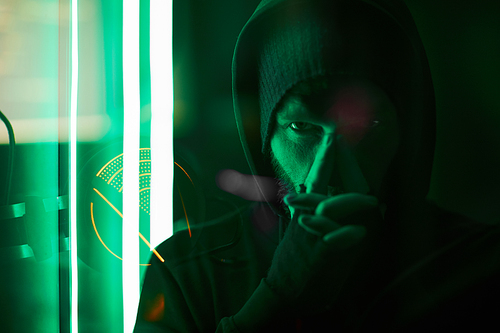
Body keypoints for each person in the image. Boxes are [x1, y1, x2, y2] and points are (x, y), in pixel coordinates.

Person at [134, 0, 500, 331]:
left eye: (365, 128)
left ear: (406, 134)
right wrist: (278, 297)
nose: (332, 165)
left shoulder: (478, 264)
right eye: (301, 128)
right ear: (264, 139)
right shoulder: (188, 272)